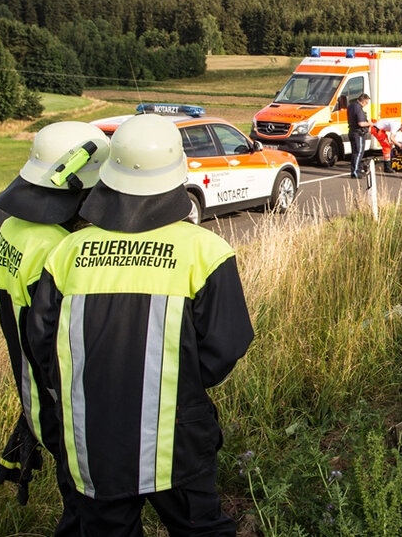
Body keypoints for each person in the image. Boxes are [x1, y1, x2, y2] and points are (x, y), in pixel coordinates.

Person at [28, 113, 254, 537]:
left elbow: (42, 343)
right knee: (199, 528)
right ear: (176, 175)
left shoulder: (68, 253)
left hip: (92, 438)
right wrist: (178, 381)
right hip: (176, 437)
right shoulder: (205, 252)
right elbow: (227, 344)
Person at [0, 121, 110, 534]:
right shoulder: (59, 249)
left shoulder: (12, 230)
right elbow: (62, 341)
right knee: (86, 516)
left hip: (34, 399)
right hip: (63, 408)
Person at [347, 93, 372, 178]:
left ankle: (356, 170)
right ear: (363, 101)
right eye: (367, 103)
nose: (366, 104)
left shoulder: (351, 106)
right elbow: (361, 123)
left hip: (352, 131)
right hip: (358, 133)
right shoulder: (358, 108)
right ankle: (356, 172)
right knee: (358, 153)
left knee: (355, 153)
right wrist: (370, 123)